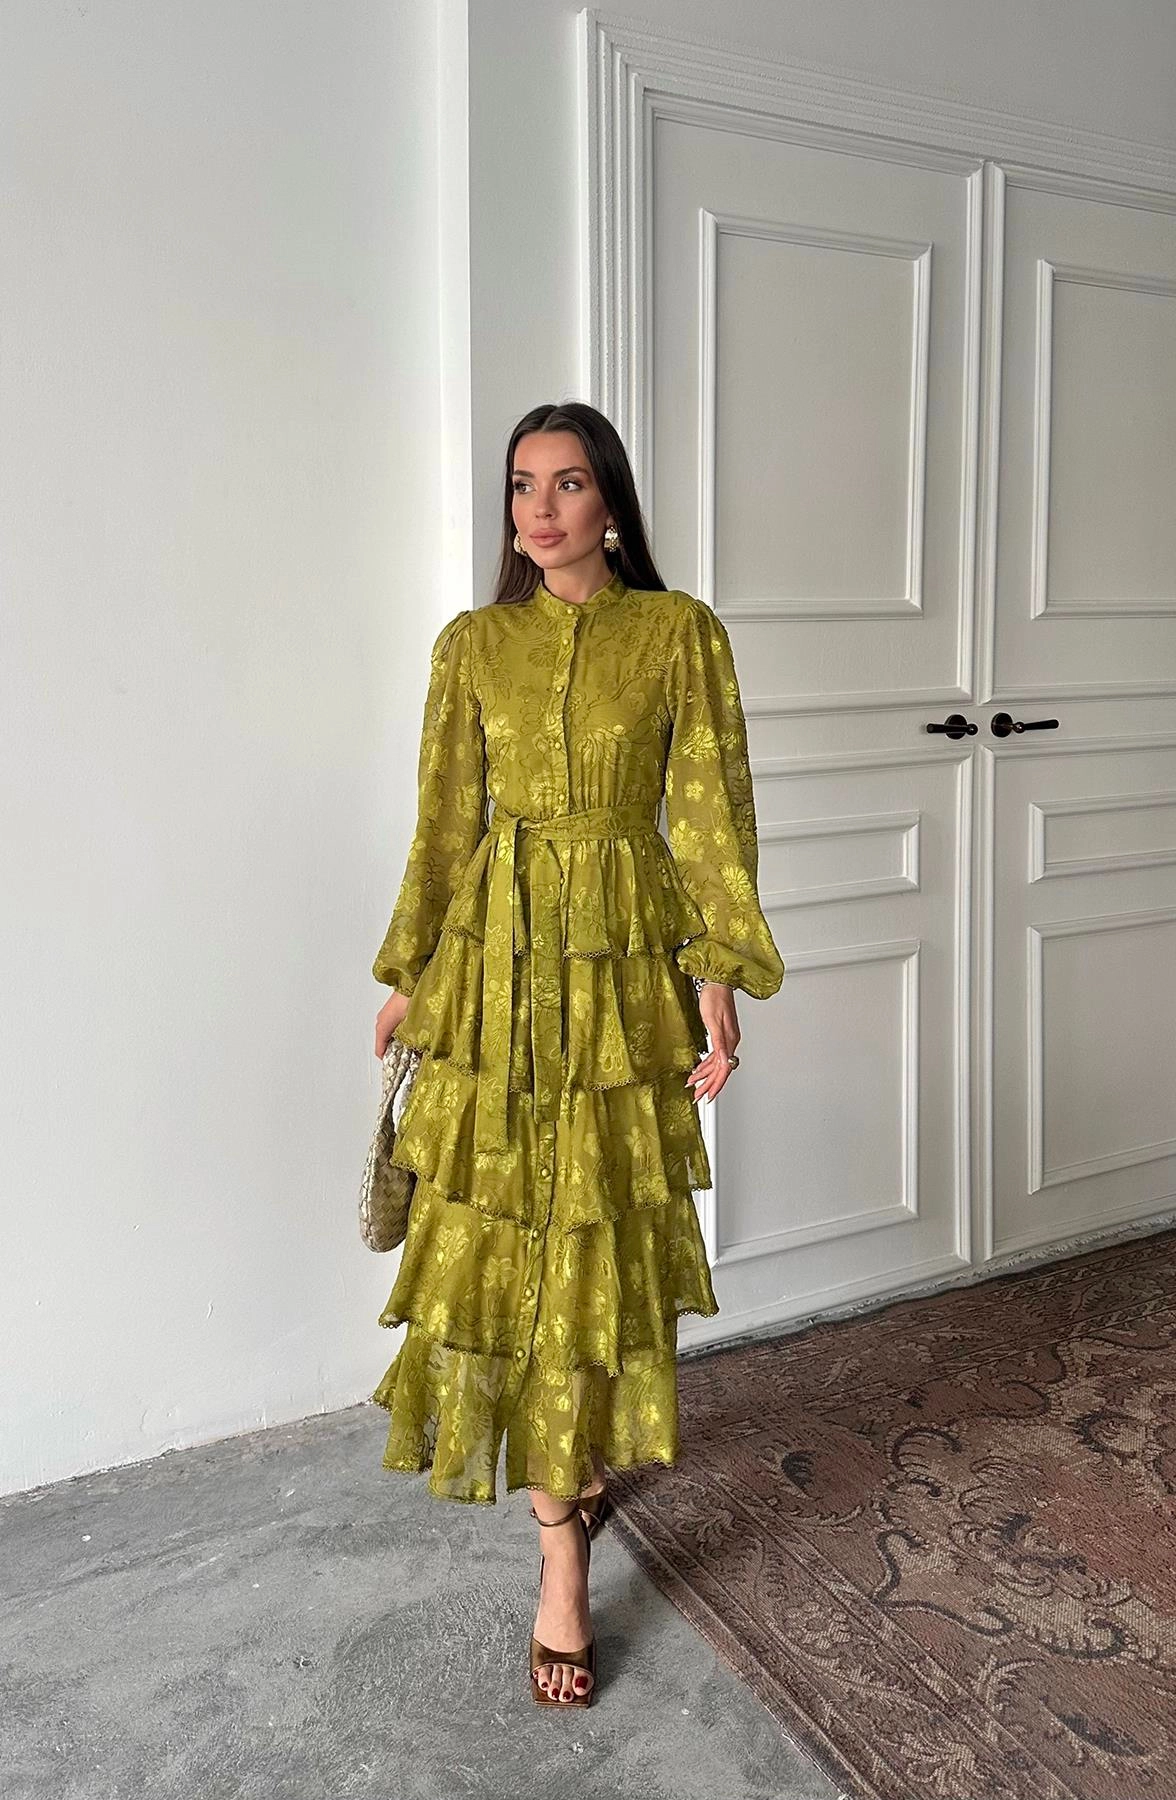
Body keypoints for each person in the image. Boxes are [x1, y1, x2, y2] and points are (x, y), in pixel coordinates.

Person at [369, 399, 785, 1707]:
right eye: (521, 487)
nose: (539, 510)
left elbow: (710, 811)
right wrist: (410, 976)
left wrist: (718, 972)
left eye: (566, 484)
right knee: (508, 1229)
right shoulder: (473, 645)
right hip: (495, 968)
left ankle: (578, 1463)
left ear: (611, 504)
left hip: (619, 972)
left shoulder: (678, 633)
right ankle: (563, 1549)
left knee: (594, 1224)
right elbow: (444, 822)